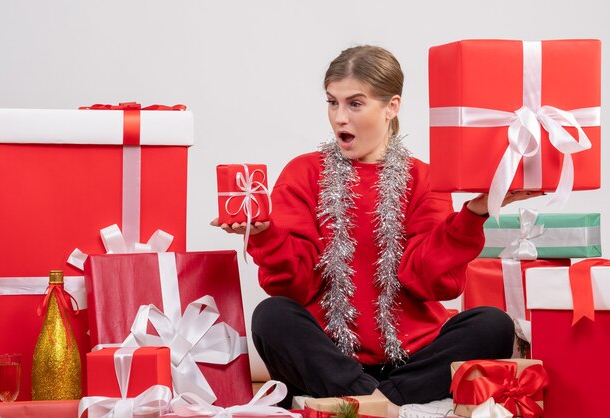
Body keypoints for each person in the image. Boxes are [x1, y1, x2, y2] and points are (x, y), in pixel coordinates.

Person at [212, 45, 542, 418]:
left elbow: (428, 283)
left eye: (355, 104)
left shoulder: (424, 177)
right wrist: (263, 234)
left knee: (493, 325)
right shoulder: (303, 173)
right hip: (329, 359)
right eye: (332, 103)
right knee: (271, 316)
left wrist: (474, 212)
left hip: (413, 359)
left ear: (391, 106)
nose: (339, 118)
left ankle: (370, 403)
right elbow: (295, 285)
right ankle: (381, 402)